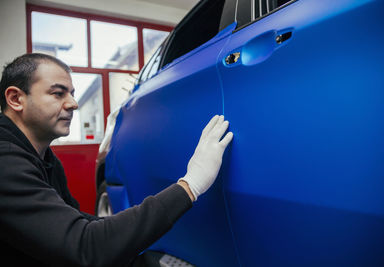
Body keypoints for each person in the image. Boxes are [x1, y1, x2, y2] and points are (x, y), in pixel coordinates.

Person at [0, 53, 233, 266]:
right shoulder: (6, 164)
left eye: (71, 93)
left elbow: (82, 225)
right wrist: (189, 185)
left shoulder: (46, 160)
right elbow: (86, 247)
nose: (73, 103)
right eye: (58, 93)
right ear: (16, 99)